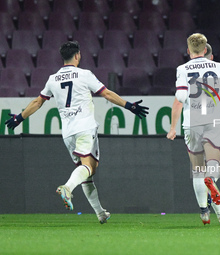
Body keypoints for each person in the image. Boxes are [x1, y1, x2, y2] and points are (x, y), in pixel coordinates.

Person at [5, 41, 149, 224]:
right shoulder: (84, 74)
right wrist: (129, 106)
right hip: (85, 126)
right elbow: (107, 94)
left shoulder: (52, 79)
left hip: (67, 132)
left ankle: (100, 213)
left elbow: (37, 102)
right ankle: (67, 188)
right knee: (90, 167)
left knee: (84, 174)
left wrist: (19, 118)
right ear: (78, 55)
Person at [167, 34, 220, 226]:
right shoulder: (218, 67)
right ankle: (212, 182)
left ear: (188, 51)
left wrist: (173, 128)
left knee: (197, 170)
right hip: (213, 120)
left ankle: (206, 213)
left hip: (191, 122)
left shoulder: (182, 69)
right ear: (206, 50)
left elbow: (179, 98)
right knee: (213, 164)